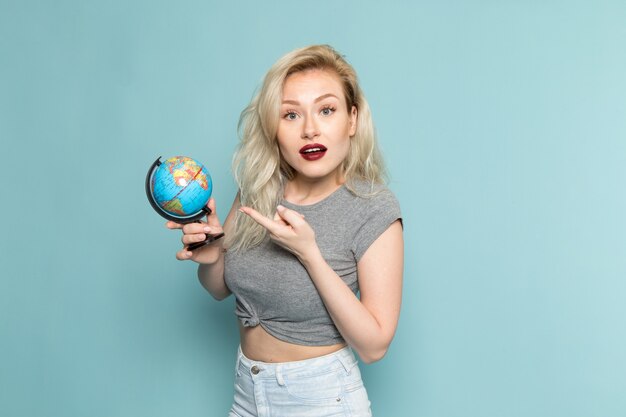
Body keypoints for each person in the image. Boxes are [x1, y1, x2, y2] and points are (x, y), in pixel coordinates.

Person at [167, 44, 403, 417]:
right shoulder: (259, 188)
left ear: (352, 119)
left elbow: (374, 347)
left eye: (327, 110)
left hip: (322, 398)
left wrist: (309, 254)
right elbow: (218, 289)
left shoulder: (373, 208)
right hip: (247, 391)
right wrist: (211, 258)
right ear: (274, 127)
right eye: (290, 115)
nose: (310, 129)